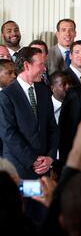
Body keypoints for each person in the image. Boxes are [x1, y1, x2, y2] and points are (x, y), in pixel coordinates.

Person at [0, 47, 57, 179]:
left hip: (44, 168)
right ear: (27, 65)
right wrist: (33, 160)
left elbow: (53, 128)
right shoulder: (6, 95)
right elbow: (8, 133)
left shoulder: (44, 91)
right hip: (19, 169)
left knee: (44, 200)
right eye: (41, 64)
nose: (44, 69)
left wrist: (50, 157)